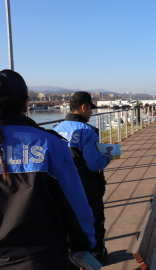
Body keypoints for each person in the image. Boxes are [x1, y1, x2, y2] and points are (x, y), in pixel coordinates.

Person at [0, 70, 96, 269]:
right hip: (44, 260)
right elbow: (76, 207)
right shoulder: (50, 145)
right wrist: (85, 248)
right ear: (26, 103)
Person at [53, 91, 113, 261]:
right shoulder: (88, 131)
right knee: (95, 221)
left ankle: (73, 255)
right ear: (83, 107)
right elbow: (94, 164)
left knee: (70, 221)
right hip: (88, 186)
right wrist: (109, 155)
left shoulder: (56, 130)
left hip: (64, 185)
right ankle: (97, 254)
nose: (92, 112)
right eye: (90, 109)